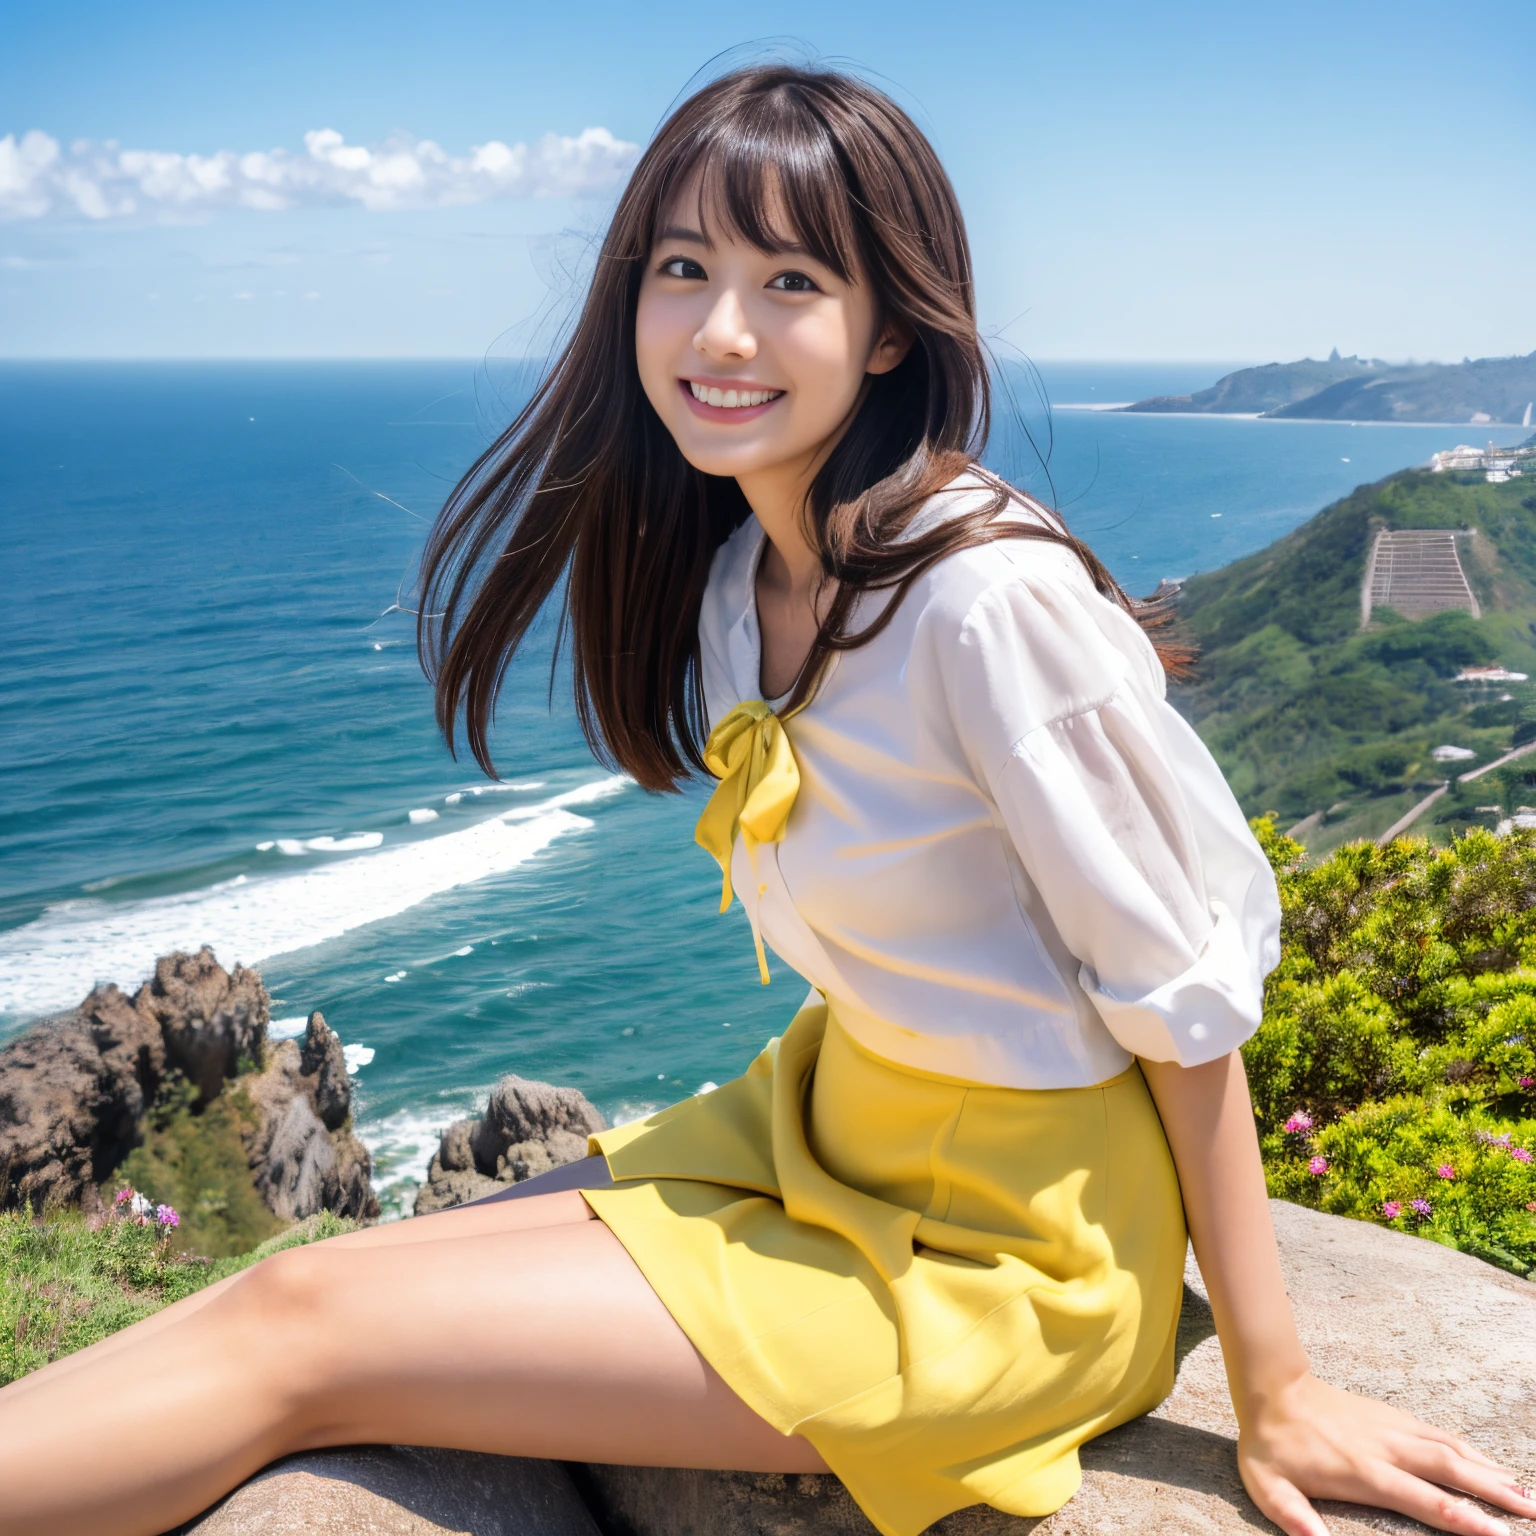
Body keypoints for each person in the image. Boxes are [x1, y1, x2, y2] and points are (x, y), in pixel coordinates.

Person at [0, 63, 1528, 1536]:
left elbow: (1188, 1008)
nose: (721, 329)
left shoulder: (988, 604)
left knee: (301, 1324)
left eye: (791, 282)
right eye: (682, 268)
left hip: (1007, 1256)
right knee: (313, 1287)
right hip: (828, 1123)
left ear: (884, 328)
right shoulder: (748, 573)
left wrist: (1281, 1388)